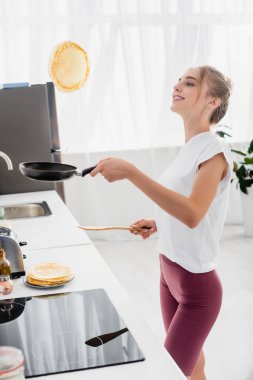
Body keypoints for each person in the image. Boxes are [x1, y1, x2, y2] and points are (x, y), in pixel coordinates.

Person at [90, 65, 233, 380]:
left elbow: (194, 213)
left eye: (190, 83)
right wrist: (160, 221)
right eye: (179, 81)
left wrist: (131, 172)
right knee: (193, 366)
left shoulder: (215, 151)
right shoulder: (191, 149)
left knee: (168, 373)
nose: (177, 86)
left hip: (197, 290)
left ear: (212, 101)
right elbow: (188, 203)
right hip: (169, 274)